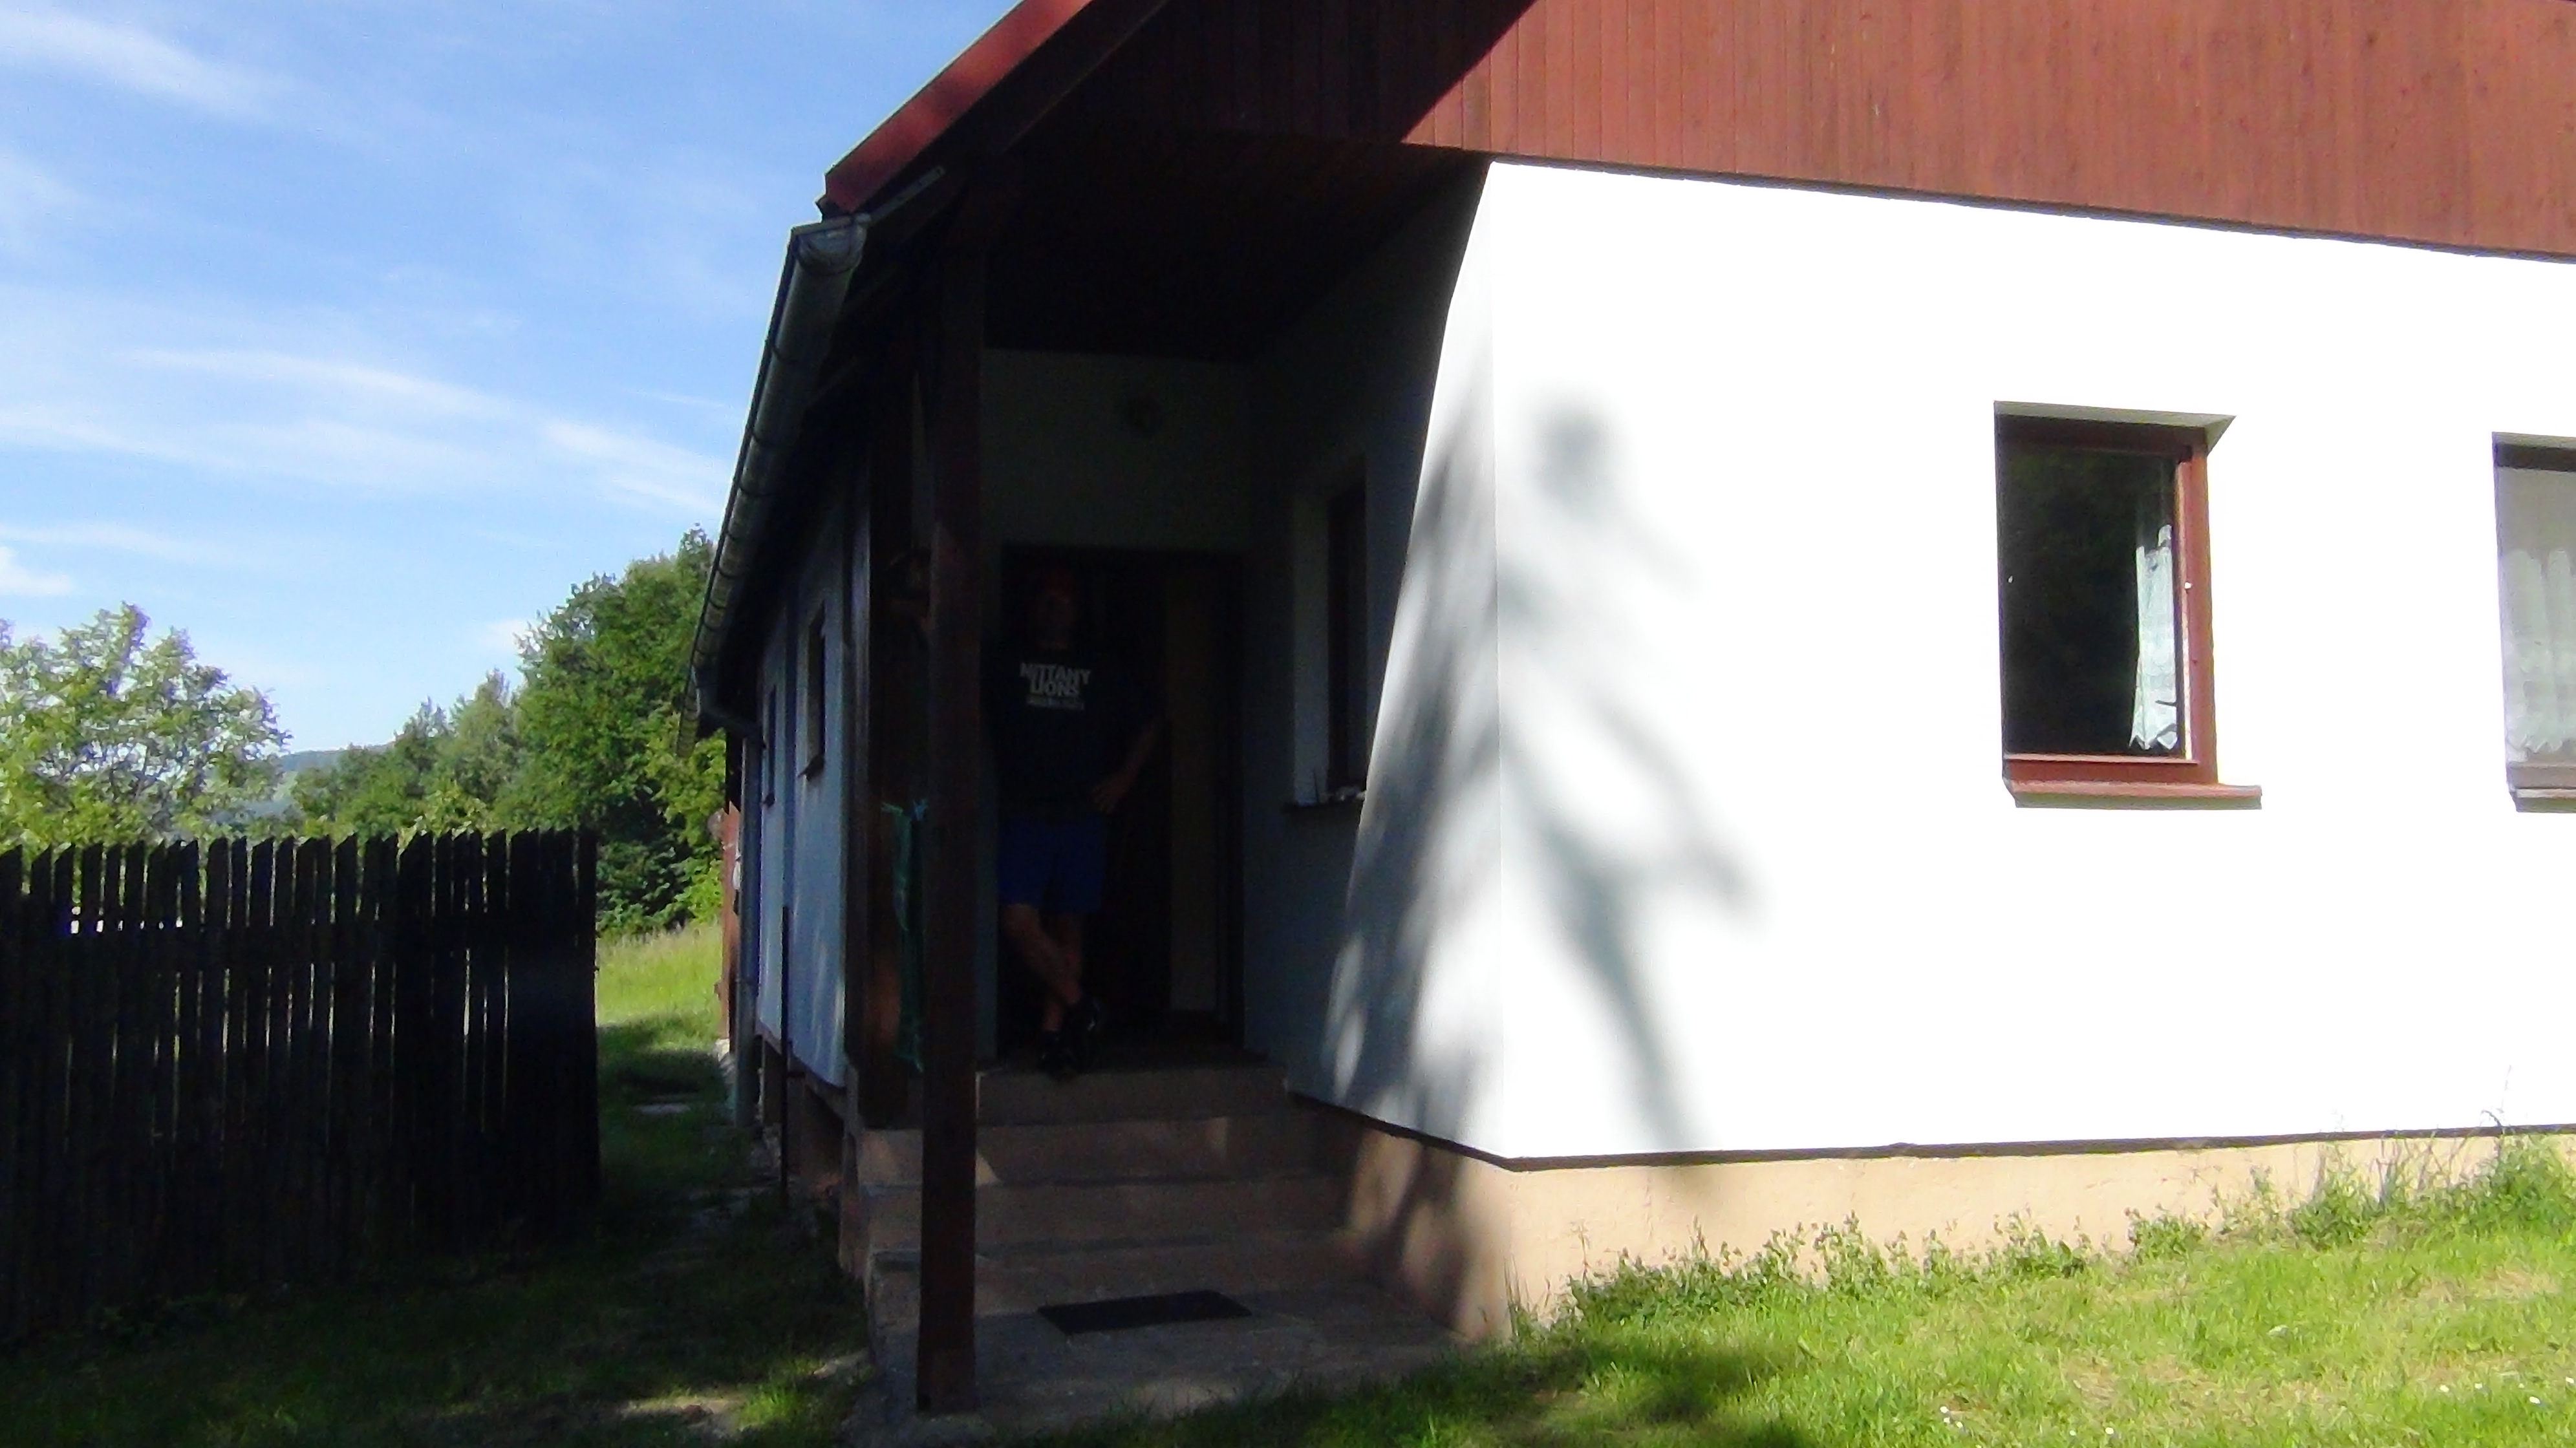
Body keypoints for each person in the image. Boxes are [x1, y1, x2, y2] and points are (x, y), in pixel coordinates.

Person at [985, 567, 1162, 1079]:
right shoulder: (1008, 663)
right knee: (1018, 921)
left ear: (1077, 611)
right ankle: (1083, 1006)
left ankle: (1055, 1036)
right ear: (1033, 607)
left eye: (1064, 600)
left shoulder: (1099, 669)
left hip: (1083, 818)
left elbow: (1150, 721)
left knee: (1069, 928)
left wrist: (1125, 779)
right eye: (1047, 598)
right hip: (1026, 816)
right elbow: (955, 665)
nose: (1055, 607)